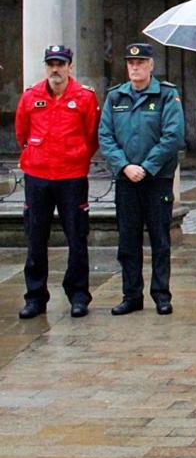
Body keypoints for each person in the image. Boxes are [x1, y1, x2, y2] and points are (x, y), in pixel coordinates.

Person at [98, 43, 185, 316]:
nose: (135, 67)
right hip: (126, 180)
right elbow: (106, 136)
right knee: (128, 241)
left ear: (151, 66)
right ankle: (131, 295)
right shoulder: (115, 97)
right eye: (131, 63)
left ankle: (161, 294)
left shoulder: (166, 95)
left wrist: (146, 167)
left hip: (156, 179)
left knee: (160, 239)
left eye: (141, 63)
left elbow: (173, 136)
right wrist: (125, 166)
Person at [15, 45, 100, 319]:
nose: (55, 69)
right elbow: (21, 132)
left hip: (72, 177)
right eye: (51, 64)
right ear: (46, 67)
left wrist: (76, 157)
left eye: (60, 64)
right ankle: (35, 297)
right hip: (38, 176)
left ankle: (78, 295)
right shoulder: (31, 96)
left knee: (77, 236)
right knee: (35, 236)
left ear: (70, 67)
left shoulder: (84, 97)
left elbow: (91, 135)